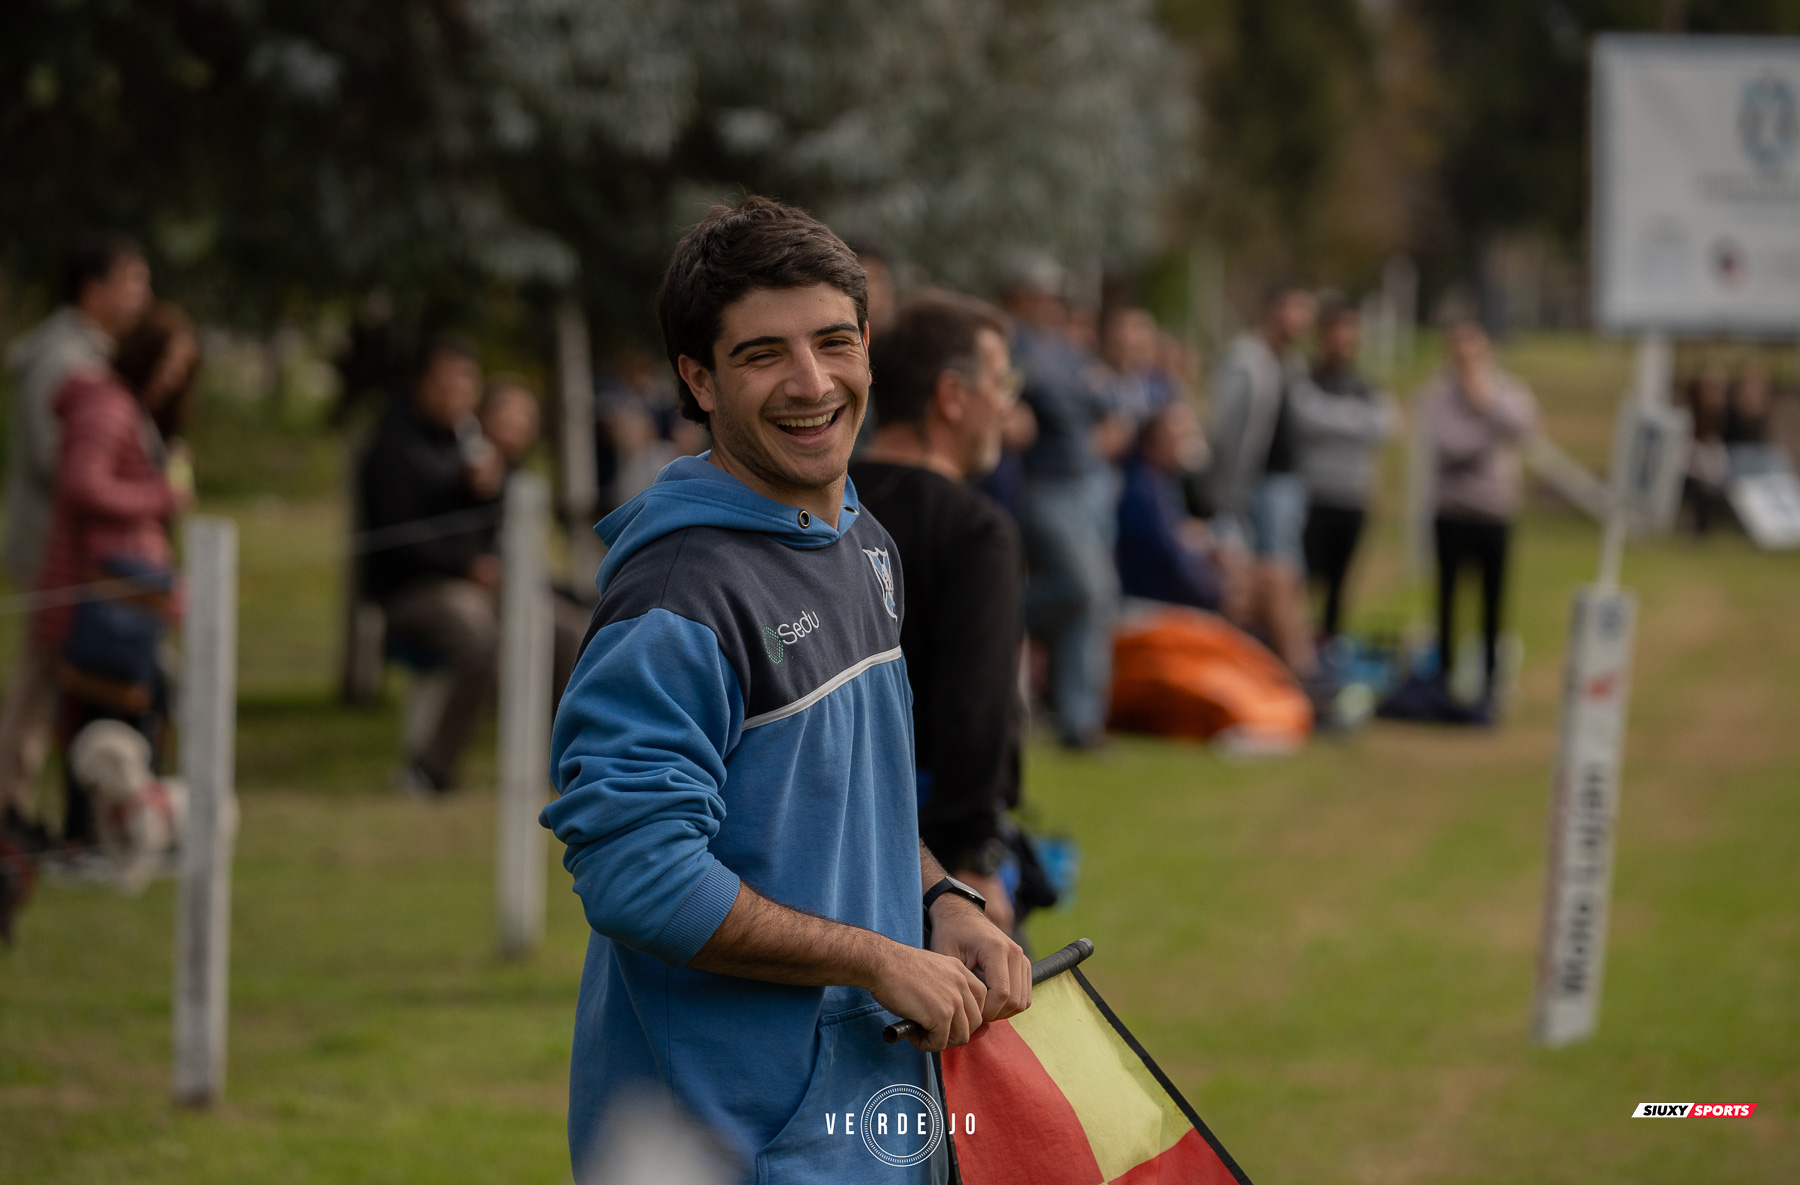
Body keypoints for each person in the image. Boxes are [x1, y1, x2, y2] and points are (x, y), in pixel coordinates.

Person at [542, 197, 1029, 1182]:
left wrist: (940, 899)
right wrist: (871, 956)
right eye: (764, 354)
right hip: (723, 1145)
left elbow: (858, 804)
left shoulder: (863, 540)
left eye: (835, 342)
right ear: (699, 380)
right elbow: (637, 873)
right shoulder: (678, 597)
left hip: (861, 1127)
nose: (813, 383)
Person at [851, 294, 1028, 932]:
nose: (1008, 408)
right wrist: (973, 857)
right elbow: (975, 706)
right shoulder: (976, 530)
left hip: (831, 838)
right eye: (1001, 384)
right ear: (952, 397)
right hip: (936, 858)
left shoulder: (826, 507)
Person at [0, 232, 152, 832]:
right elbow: (58, 459)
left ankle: (40, 814)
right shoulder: (66, 359)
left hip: (68, 547)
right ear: (95, 290)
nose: (141, 297)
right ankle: (10, 812)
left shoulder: (82, 351)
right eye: (133, 282)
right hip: (54, 551)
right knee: (39, 687)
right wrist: (144, 483)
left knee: (53, 685)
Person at [35, 302, 198, 844]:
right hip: (101, 594)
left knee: (132, 710)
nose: (172, 381)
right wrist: (161, 495)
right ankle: (89, 834)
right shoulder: (108, 406)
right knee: (99, 717)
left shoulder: (128, 407)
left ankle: (124, 829)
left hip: (127, 591)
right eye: (168, 366)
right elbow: (83, 484)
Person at [358, 336, 505, 795]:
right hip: (412, 592)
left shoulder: (469, 443)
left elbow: (488, 531)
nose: (456, 394)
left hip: (468, 584)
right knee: (480, 639)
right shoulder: (389, 448)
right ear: (419, 385)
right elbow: (398, 545)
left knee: (559, 626)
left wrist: (488, 490)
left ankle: (573, 761)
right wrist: (468, 567)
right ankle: (430, 770)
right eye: (445, 383)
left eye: (466, 383)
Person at [1003, 255, 1130, 748]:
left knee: (1096, 603)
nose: (1049, 302)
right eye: (1041, 292)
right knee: (1086, 590)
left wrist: (1100, 444)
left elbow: (1113, 406)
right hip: (1047, 485)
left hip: (1090, 484)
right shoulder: (1013, 344)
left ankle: (1081, 721)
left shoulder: (1067, 350)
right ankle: (999, 614)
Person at [1421, 321, 1538, 714]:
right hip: (1452, 511)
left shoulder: (1507, 390)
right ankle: (1443, 680)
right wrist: (1492, 432)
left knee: (1494, 602)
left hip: (1496, 513)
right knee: (1448, 602)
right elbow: (1451, 446)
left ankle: (1490, 684)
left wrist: (1484, 402)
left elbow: (1524, 428)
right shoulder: (1437, 394)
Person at [1208, 285, 1319, 679]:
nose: (1303, 321)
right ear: (1275, 310)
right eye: (1297, 310)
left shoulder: (1291, 363)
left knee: (1285, 580)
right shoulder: (1246, 359)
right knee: (1267, 579)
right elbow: (1225, 429)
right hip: (1254, 484)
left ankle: (1286, 668)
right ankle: (1290, 671)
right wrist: (1223, 490)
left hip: (1287, 485)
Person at [1297, 300, 1398, 641]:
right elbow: (1307, 416)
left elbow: (1387, 425)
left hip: (1353, 497)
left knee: (1340, 585)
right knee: (1302, 580)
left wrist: (1334, 418)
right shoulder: (1305, 377)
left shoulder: (1365, 383)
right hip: (1312, 495)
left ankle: (1330, 646)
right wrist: (1357, 419)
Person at [1116, 400, 1236, 615]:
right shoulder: (1141, 487)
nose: (1189, 435)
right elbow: (1170, 561)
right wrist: (1217, 579)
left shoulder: (1165, 481)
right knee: (1266, 589)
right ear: (1155, 436)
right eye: (1180, 426)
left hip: (1184, 588)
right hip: (1159, 601)